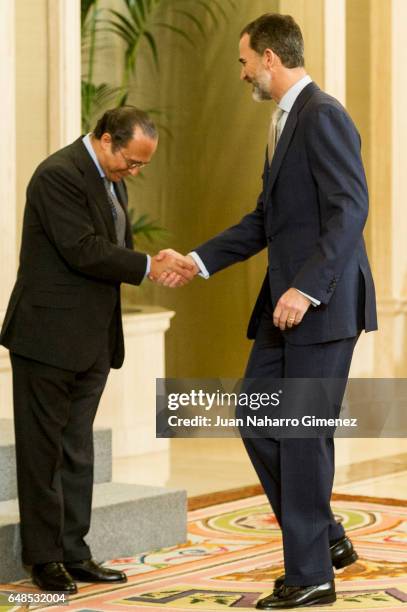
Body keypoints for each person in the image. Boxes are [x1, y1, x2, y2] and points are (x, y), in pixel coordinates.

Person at [152, 13, 377, 609]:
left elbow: (350, 210)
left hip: (320, 308)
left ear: (271, 58)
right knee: (255, 418)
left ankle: (312, 577)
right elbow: (265, 221)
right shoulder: (283, 123)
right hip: (287, 312)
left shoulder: (322, 115)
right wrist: (196, 261)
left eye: (246, 60)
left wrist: (306, 289)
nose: (244, 70)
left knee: (302, 437)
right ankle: (324, 538)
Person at [0, 106, 194, 593]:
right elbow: (83, 249)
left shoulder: (113, 180)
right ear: (106, 139)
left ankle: (75, 552)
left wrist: (149, 262)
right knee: (42, 454)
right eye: (132, 161)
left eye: (141, 166)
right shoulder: (58, 175)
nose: (134, 172)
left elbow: (112, 250)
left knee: (77, 450)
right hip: (46, 338)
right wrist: (149, 265)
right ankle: (44, 560)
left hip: (90, 339)